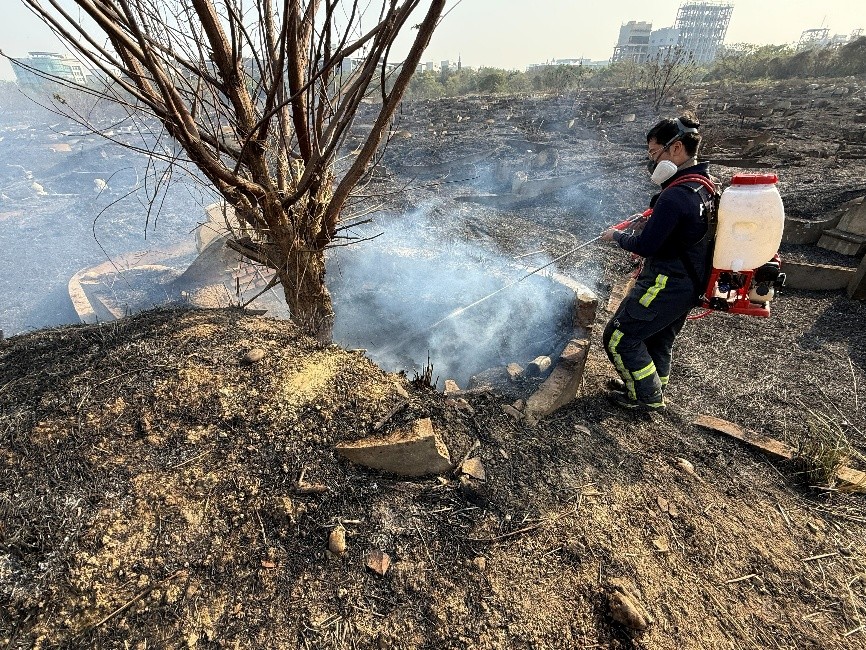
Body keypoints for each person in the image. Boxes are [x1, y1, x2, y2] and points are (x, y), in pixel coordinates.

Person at [600, 114, 715, 410]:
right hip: (688, 284)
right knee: (659, 339)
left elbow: (647, 246)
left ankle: (646, 397)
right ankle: (651, 386)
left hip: (666, 281)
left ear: (676, 148)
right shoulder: (704, 186)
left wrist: (617, 236)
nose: (652, 160)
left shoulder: (675, 196)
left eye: (654, 152)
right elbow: (682, 232)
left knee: (619, 337)